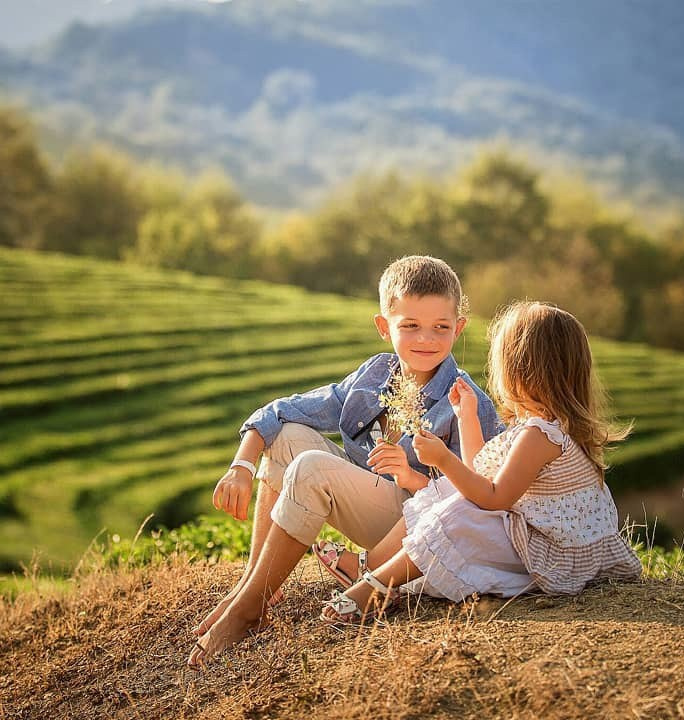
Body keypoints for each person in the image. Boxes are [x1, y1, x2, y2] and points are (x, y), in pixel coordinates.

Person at [188, 255, 504, 667]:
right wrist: (242, 466)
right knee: (289, 438)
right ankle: (253, 586)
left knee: (311, 467)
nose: (426, 339)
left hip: (413, 529)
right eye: (410, 325)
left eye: (440, 327)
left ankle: (247, 610)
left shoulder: (466, 401)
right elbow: (284, 410)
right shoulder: (374, 375)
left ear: (458, 328)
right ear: (383, 326)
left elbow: (475, 500)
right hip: (369, 509)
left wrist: (411, 477)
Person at [319, 300, 642, 624]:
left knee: (458, 512)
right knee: (449, 492)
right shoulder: (544, 427)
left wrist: (444, 459)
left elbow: (493, 499)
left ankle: (375, 587)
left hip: (553, 555)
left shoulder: (539, 435)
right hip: (541, 538)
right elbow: (479, 475)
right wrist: (467, 417)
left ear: (519, 369)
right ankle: (371, 566)